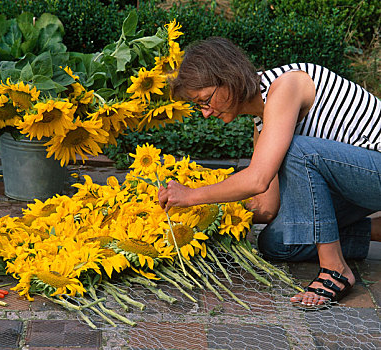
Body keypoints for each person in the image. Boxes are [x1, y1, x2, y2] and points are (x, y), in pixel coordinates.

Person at [158, 37, 381, 308]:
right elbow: (266, 206)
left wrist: (193, 196)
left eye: (205, 100)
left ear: (227, 77)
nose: (205, 113)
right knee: (277, 241)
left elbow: (257, 177)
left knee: (298, 151)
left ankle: (336, 269)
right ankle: (373, 230)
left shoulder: (286, 85)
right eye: (199, 106)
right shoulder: (263, 123)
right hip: (359, 184)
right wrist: (208, 221)